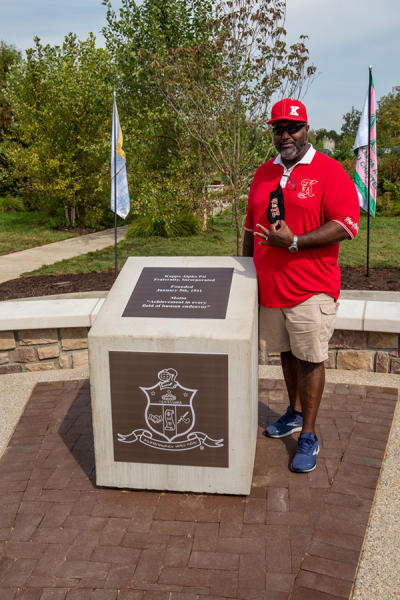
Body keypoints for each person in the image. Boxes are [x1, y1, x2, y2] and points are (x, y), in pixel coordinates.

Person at [243, 98, 359, 473]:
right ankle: (293, 413)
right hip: (272, 289)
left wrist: (295, 241)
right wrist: (246, 277)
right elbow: (250, 230)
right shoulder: (263, 173)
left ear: (307, 129)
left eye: (293, 128)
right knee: (287, 353)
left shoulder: (329, 170)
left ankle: (308, 434)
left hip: (312, 287)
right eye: (278, 129)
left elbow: (346, 225)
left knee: (310, 358)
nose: (285, 136)